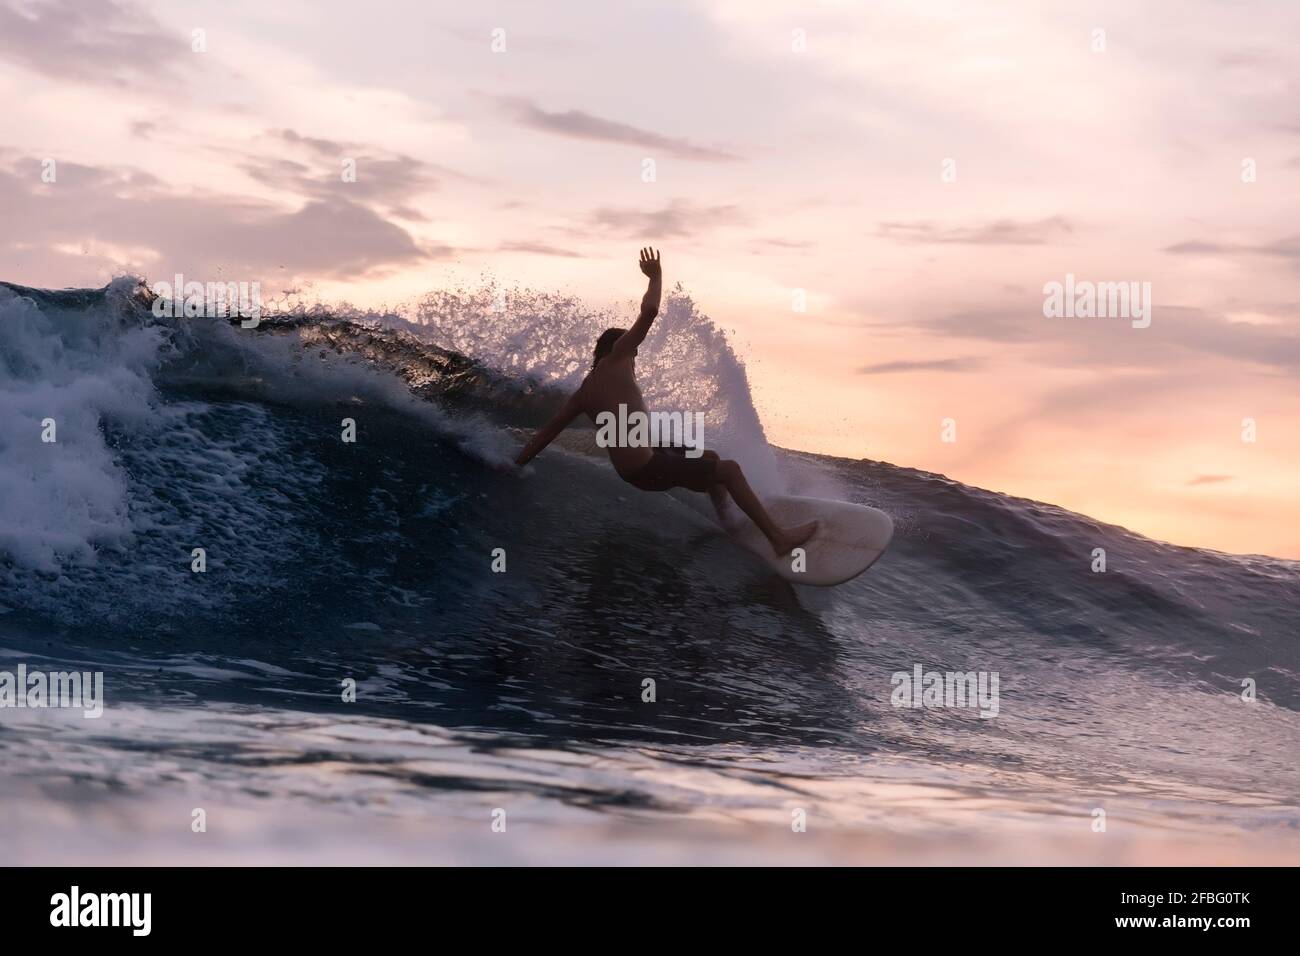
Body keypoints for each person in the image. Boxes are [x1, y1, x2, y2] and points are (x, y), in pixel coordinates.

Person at [514, 248, 817, 556]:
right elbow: (649, 313)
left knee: (710, 457)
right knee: (730, 470)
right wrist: (656, 277)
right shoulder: (619, 357)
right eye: (633, 352)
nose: (635, 359)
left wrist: (513, 463)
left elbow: (547, 433)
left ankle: (732, 525)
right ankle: (780, 540)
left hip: (635, 470)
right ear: (619, 348)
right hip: (648, 467)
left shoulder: (582, 393)